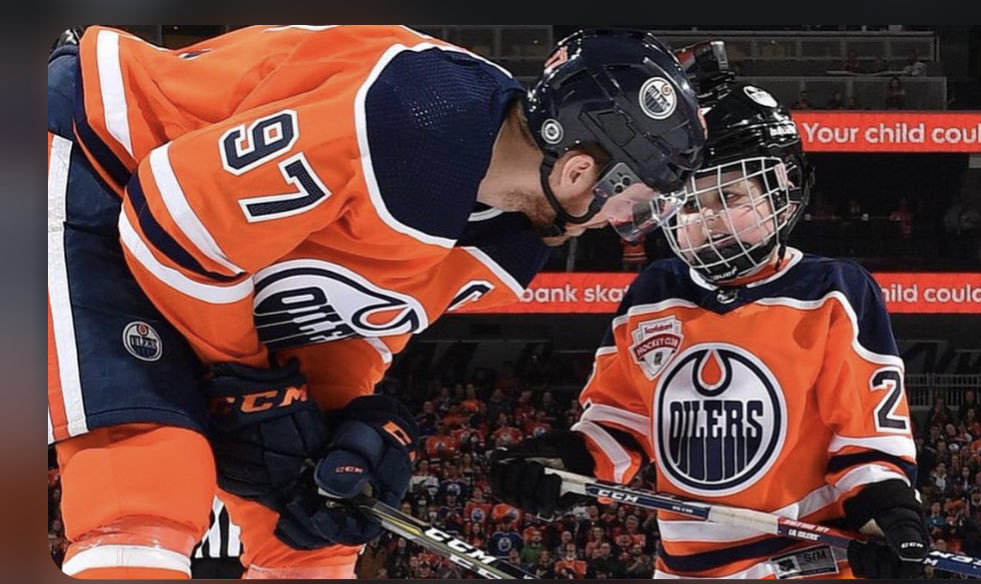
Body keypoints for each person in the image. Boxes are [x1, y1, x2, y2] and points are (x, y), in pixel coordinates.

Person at [47, 25, 706, 579]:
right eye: (634, 202)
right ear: (580, 171)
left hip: (200, 255)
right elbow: (173, 221)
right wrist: (254, 389)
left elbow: (353, 316)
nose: (625, 223)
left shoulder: (515, 234)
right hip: (98, 154)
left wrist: (340, 421)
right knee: (148, 466)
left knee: (319, 522)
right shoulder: (415, 114)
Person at [490, 81, 929, 579]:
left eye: (730, 195)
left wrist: (888, 518)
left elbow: (865, 441)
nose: (709, 219)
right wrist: (558, 462)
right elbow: (621, 423)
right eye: (691, 204)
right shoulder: (655, 291)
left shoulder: (832, 290)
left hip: (805, 566)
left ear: (780, 191)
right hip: (685, 569)